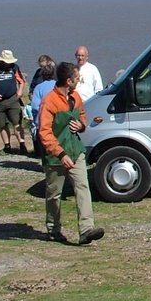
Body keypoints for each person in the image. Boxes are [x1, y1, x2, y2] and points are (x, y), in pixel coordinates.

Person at [39, 61, 104, 245]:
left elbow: (82, 116)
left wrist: (81, 125)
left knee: (82, 187)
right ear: (68, 81)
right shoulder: (49, 102)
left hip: (76, 151)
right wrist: (61, 154)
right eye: (77, 78)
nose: (79, 80)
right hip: (55, 157)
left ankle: (86, 230)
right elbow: (44, 132)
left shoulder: (75, 97)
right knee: (54, 195)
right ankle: (53, 229)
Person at [0, 49, 27, 153]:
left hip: (13, 99)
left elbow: (21, 81)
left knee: (17, 123)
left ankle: (22, 144)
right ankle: (7, 146)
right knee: (2, 124)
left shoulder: (14, 67)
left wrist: (20, 91)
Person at [27, 58, 57, 158]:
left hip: (43, 120)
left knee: (44, 146)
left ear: (42, 75)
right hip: (57, 120)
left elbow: (35, 106)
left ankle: (46, 164)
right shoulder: (57, 86)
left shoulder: (38, 88)